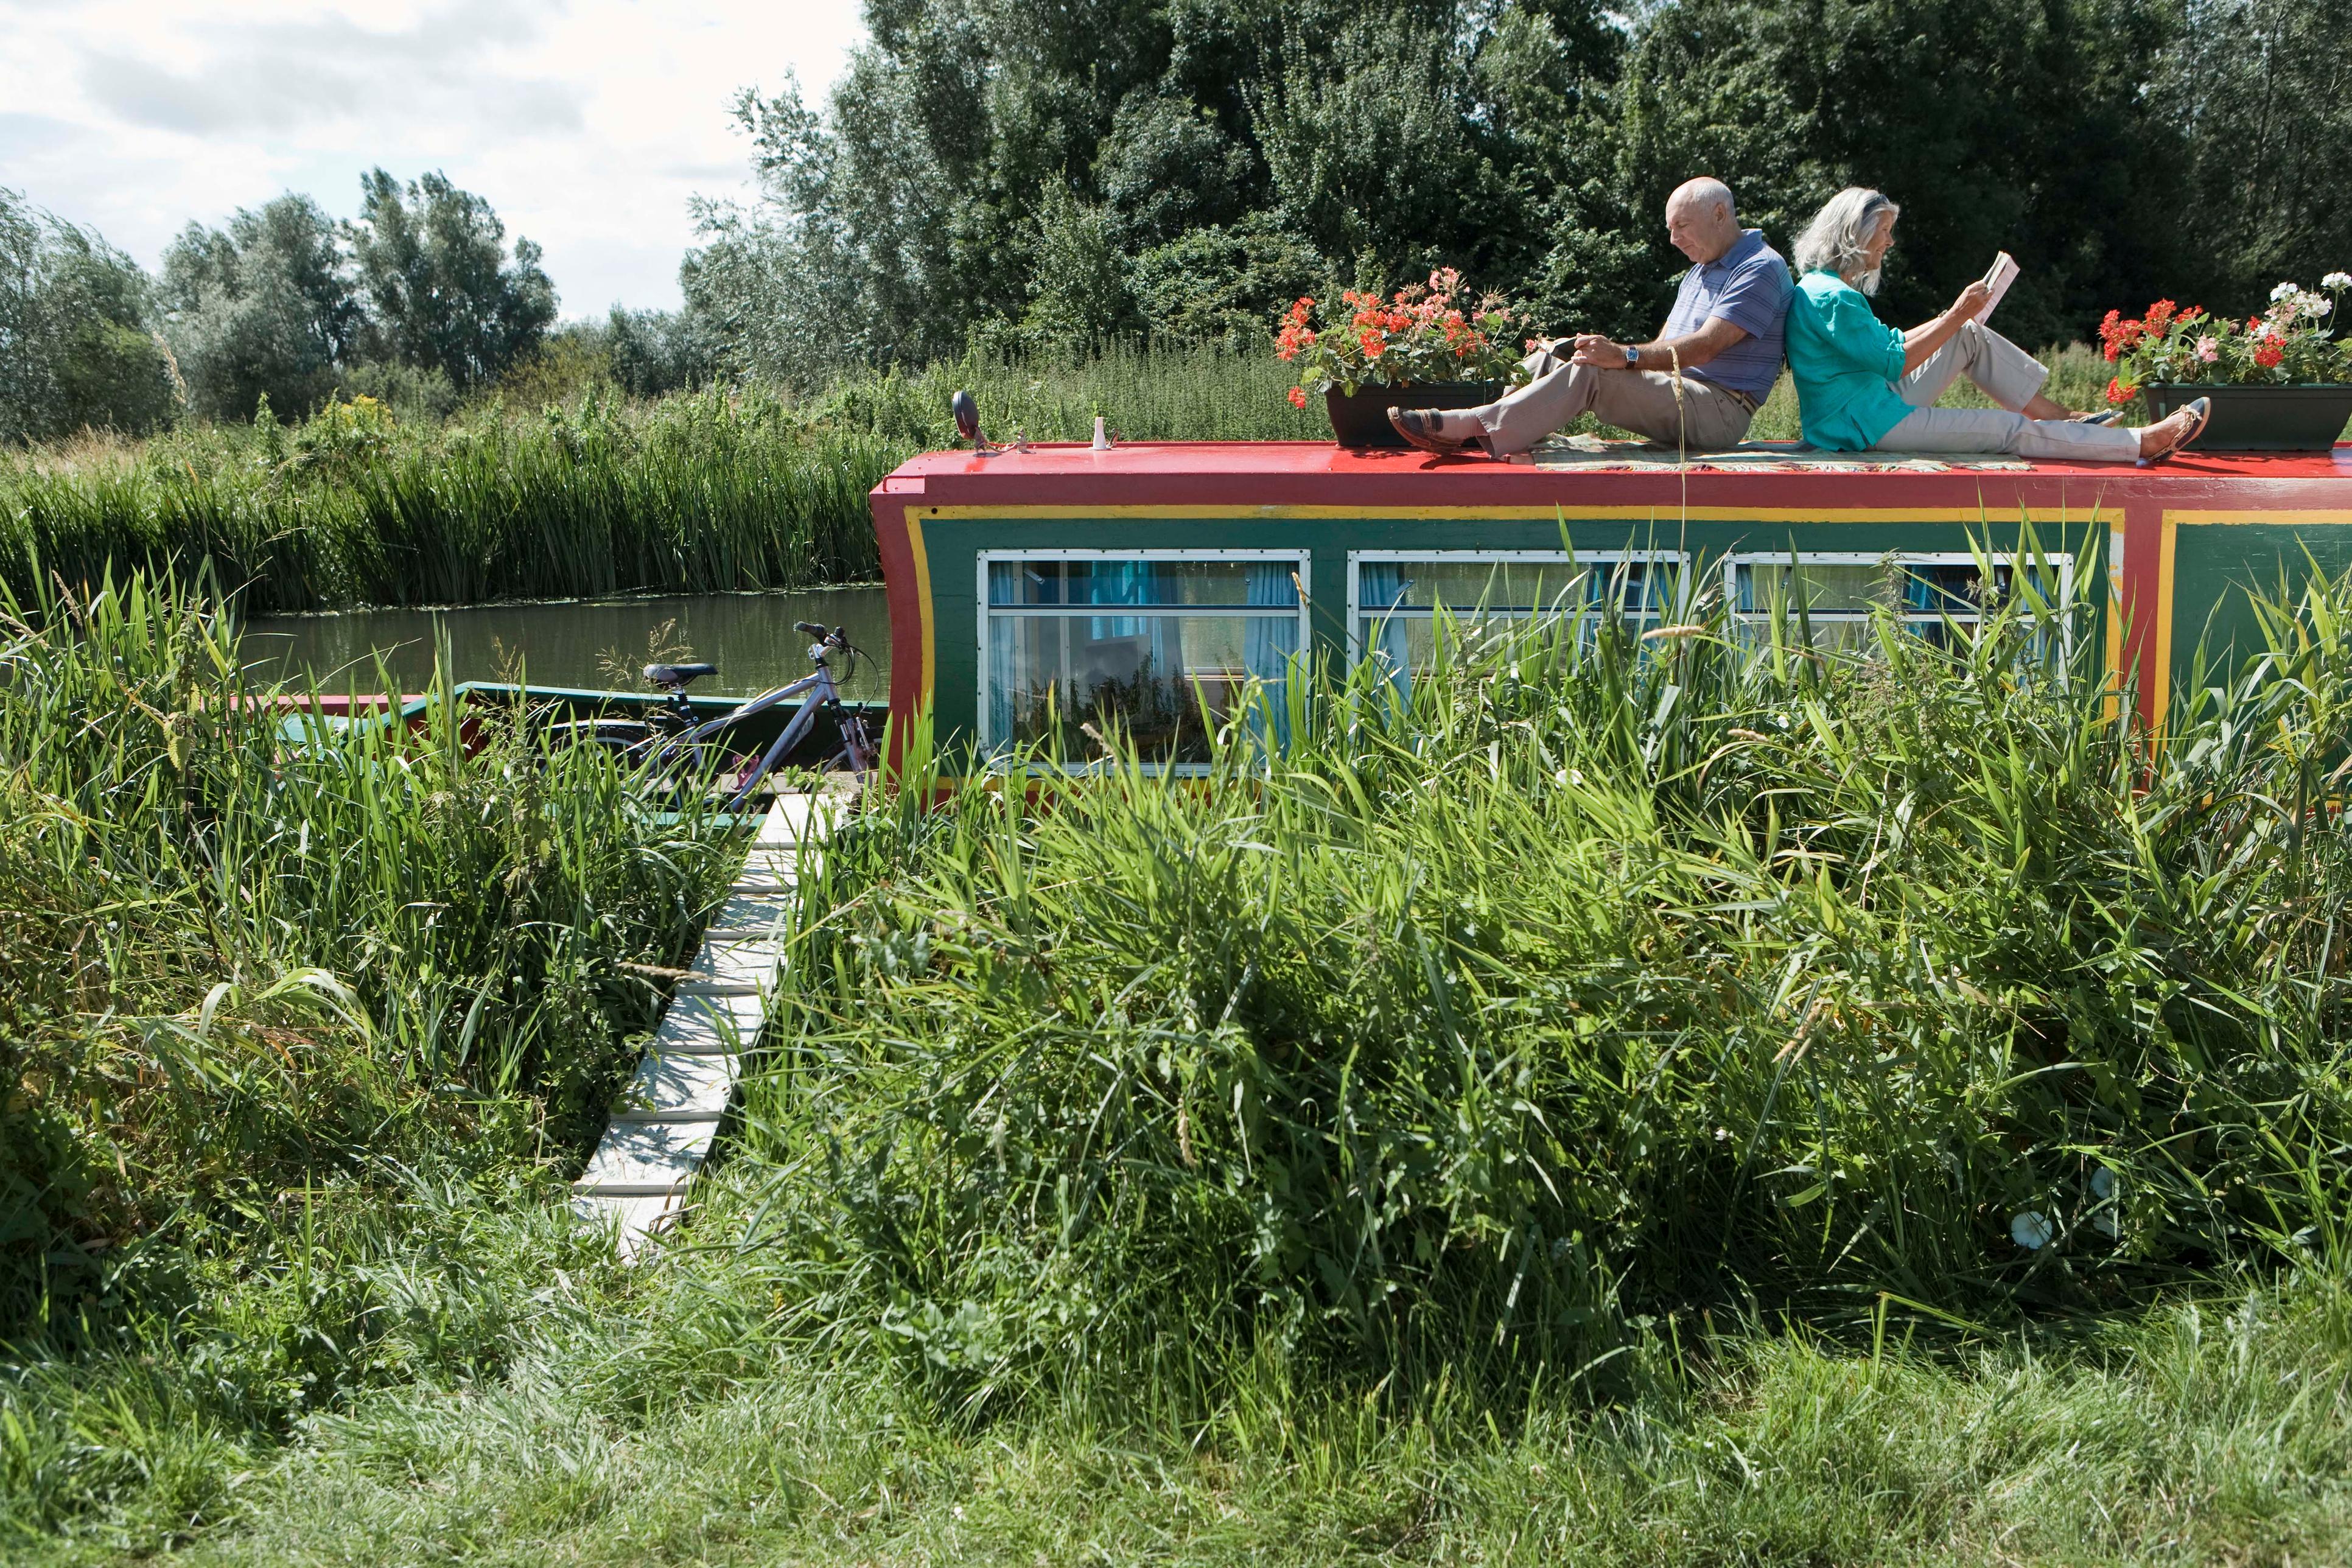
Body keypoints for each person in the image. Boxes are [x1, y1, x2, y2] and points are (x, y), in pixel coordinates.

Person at [1783, 187, 2207, 462]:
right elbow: (1897, 363)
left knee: (1967, 335)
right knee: (2010, 431)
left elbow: (1887, 348)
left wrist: (1957, 317)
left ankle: (2059, 417)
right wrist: (1955, 313)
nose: (1890, 242)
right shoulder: (1834, 297)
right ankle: (2142, 443)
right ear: (1857, 232)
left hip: (1866, 405)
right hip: (1864, 425)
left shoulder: (1823, 287)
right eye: (1885, 231)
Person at [1387, 177, 1791, 457]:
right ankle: (1479, 423)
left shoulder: (1759, 268)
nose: (1674, 240)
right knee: (1557, 354)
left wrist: (1624, 358)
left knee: (1592, 373)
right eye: (1670, 229)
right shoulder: (1701, 268)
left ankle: (1470, 425)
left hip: (1721, 410)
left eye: (1682, 226)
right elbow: (1666, 342)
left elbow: (1706, 347)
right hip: (1684, 391)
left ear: (1720, 214)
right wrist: (1608, 354)